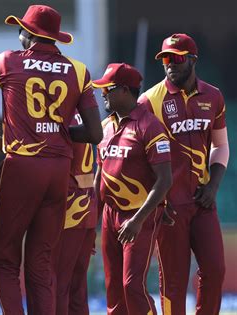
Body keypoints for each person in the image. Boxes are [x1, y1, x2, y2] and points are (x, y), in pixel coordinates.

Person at [0, 4, 103, 313]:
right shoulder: (79, 71)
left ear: (30, 34)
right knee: (41, 262)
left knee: (5, 260)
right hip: (58, 170)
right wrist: (58, 134)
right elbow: (94, 133)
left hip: (22, 166)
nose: (19, 34)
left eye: (21, 29)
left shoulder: (9, 61)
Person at [139, 33, 229, 315]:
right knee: (173, 283)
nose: (170, 64)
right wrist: (155, 202)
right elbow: (138, 159)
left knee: (215, 270)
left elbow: (221, 145)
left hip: (202, 201)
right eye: (165, 58)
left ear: (192, 59)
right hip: (169, 207)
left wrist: (213, 186)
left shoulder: (213, 96)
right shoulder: (148, 101)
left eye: (176, 58)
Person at [93, 63, 173, 315]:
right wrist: (91, 222)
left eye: (109, 88)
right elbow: (100, 176)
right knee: (113, 288)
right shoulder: (105, 126)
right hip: (110, 215)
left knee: (132, 285)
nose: (103, 92)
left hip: (139, 215)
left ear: (126, 91)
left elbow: (164, 180)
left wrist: (138, 221)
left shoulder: (150, 126)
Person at [53, 112, 98, 315]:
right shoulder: (82, 115)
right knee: (77, 289)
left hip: (70, 210)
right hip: (87, 207)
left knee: (58, 286)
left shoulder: (62, 117)